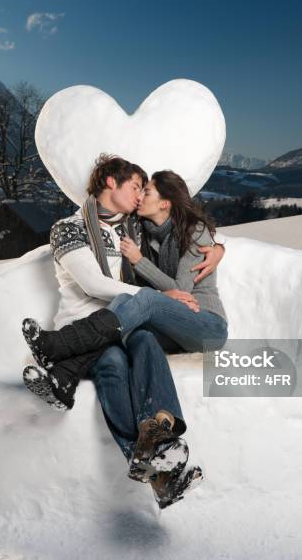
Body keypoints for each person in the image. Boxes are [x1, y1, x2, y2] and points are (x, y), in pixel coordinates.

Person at [23, 154, 225, 508]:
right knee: (121, 359)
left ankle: (62, 359)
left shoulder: (130, 230)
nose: (138, 196)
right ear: (110, 183)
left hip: (132, 322)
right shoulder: (71, 227)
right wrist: (153, 294)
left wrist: (218, 248)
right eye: (135, 187)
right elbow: (93, 283)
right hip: (98, 322)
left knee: (142, 329)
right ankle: (161, 469)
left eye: (144, 191)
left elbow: (189, 234)